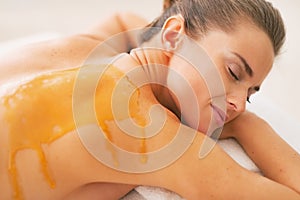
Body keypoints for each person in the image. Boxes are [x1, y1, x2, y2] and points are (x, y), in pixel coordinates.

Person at [0, 0, 300, 200]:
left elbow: (122, 20)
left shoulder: (87, 48)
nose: (241, 104)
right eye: (234, 72)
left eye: (251, 94)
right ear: (173, 36)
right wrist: (250, 126)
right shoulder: (150, 132)